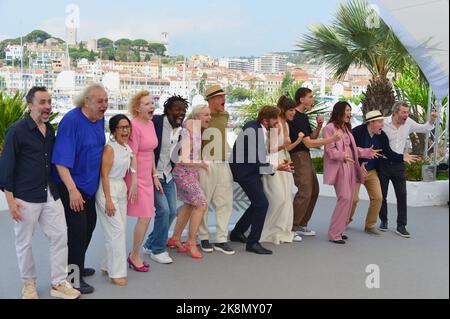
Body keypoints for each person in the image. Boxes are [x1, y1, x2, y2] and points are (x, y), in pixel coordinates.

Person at [0, 87, 81, 299]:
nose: (47, 107)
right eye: (43, 102)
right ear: (30, 105)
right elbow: (6, 167)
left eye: (49, 102)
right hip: (25, 196)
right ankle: (28, 285)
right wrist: (10, 200)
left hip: (50, 194)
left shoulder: (50, 130)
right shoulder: (16, 131)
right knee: (24, 243)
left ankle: (58, 283)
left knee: (60, 236)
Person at [52, 83, 108, 294]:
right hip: (72, 186)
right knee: (76, 232)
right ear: (87, 102)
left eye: (106, 100)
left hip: (89, 187)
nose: (104, 105)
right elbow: (60, 161)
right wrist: (72, 190)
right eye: (99, 101)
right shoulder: (72, 121)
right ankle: (72, 278)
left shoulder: (99, 119)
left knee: (89, 226)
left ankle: (76, 265)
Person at [229, 106, 294, 255]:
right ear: (265, 120)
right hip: (246, 172)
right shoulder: (254, 131)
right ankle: (253, 243)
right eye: (274, 120)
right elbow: (258, 161)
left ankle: (237, 233)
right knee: (262, 204)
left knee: (257, 204)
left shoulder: (256, 127)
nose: (277, 122)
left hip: (250, 170)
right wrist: (278, 168)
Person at [350, 110, 418, 235]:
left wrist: (402, 157)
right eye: (380, 122)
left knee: (378, 197)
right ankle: (345, 220)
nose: (383, 124)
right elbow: (349, 151)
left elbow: (388, 153)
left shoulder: (381, 135)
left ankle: (369, 225)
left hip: (371, 171)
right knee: (353, 200)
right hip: (355, 171)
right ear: (371, 122)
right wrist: (359, 164)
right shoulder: (357, 132)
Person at [323, 102, 381, 244]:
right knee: (345, 198)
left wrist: (367, 152)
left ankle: (340, 231)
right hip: (340, 166)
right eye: (347, 110)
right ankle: (334, 234)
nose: (349, 113)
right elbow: (329, 149)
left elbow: (353, 149)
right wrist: (341, 156)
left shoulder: (346, 129)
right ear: (339, 111)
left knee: (349, 200)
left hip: (350, 166)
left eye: (350, 110)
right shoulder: (329, 128)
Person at [288, 87, 342, 241]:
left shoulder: (303, 117)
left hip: (305, 155)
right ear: (301, 99)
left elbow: (311, 137)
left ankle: (301, 224)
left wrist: (319, 125)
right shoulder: (296, 117)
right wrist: (331, 140)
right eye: (310, 97)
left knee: (314, 190)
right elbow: (309, 143)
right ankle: (291, 227)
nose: (313, 99)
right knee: (305, 191)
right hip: (298, 156)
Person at [379, 101, 436, 237]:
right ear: (395, 113)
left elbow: (424, 128)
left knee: (402, 195)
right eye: (403, 112)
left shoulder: (409, 122)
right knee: (382, 195)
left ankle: (401, 225)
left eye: (407, 112)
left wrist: (432, 120)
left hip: (399, 165)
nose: (406, 115)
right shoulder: (384, 123)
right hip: (384, 164)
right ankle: (383, 220)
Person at [143, 95, 187, 264]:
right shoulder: (156, 123)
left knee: (172, 212)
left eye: (183, 110)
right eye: (177, 109)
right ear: (168, 110)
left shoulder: (180, 129)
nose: (181, 113)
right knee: (163, 211)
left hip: (167, 175)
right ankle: (158, 250)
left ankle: (150, 243)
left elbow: (174, 154)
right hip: (153, 175)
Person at [95, 114, 137, 286]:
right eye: (121, 127)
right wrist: (108, 200)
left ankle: (107, 265)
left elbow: (133, 167)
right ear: (113, 130)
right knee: (117, 231)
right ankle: (116, 273)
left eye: (127, 127)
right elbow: (104, 175)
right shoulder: (110, 148)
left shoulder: (126, 148)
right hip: (108, 190)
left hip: (120, 188)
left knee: (118, 231)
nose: (125, 130)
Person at [125, 91, 162, 271]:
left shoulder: (150, 123)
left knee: (145, 217)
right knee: (145, 217)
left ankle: (134, 254)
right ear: (137, 108)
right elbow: (132, 155)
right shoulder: (134, 125)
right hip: (135, 176)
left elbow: (151, 153)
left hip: (147, 175)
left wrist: (154, 176)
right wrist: (133, 183)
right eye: (147, 104)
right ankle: (134, 255)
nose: (151, 106)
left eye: (152, 103)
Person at [260, 96, 305, 244]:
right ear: (284, 110)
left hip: (284, 161)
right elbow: (270, 149)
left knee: (286, 198)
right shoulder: (277, 124)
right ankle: (269, 231)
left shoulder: (285, 124)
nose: (294, 112)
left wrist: (298, 140)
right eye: (291, 110)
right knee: (277, 198)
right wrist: (283, 145)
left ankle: (282, 230)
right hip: (274, 162)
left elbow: (287, 147)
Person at [198, 85, 235, 255]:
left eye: (224, 97)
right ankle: (204, 237)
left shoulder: (225, 115)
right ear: (211, 100)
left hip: (222, 161)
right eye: (220, 97)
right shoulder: (200, 115)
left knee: (225, 201)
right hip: (206, 162)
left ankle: (221, 239)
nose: (223, 100)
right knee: (204, 202)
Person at [171, 105, 211, 259]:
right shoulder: (188, 132)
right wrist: (200, 163)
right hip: (183, 174)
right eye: (206, 115)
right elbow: (182, 159)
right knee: (201, 204)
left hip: (191, 173)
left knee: (189, 205)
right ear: (197, 116)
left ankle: (175, 238)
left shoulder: (196, 131)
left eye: (209, 115)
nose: (209, 118)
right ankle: (191, 242)